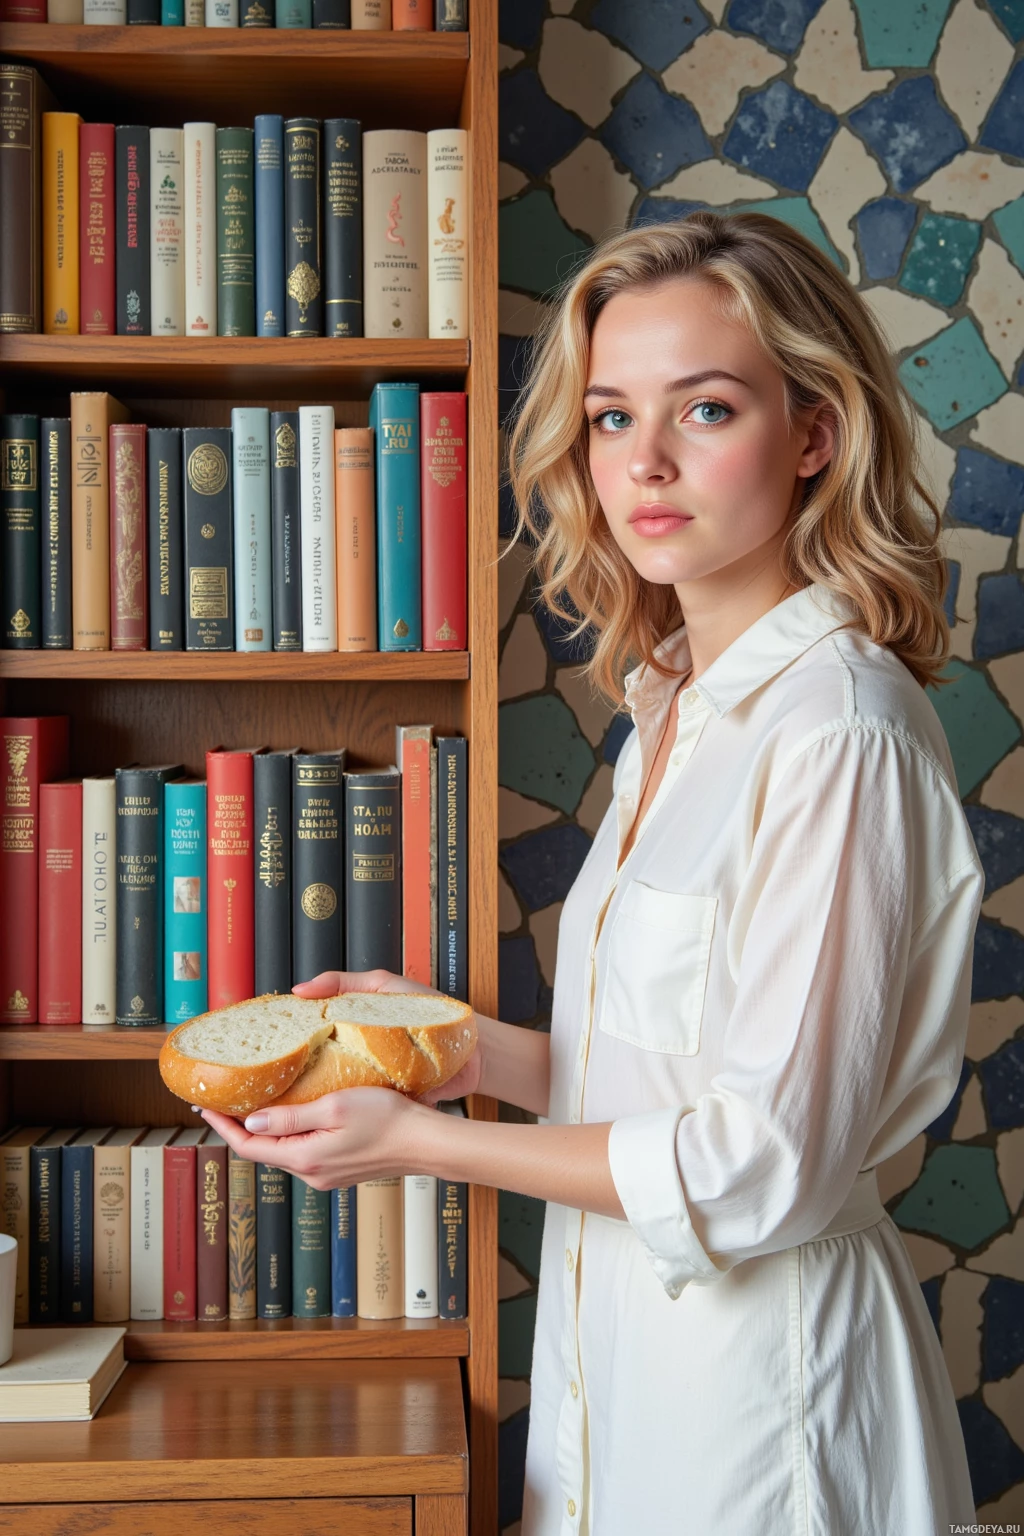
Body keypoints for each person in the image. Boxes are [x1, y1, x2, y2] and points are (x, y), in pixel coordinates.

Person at [199, 211, 984, 1533]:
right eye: (613, 418)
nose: (647, 464)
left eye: (708, 409)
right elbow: (670, 1077)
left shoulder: (837, 732)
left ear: (814, 434)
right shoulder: (667, 707)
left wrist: (426, 1145)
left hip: (767, 1407)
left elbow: (764, 1158)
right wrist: (454, 1054)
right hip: (614, 1371)